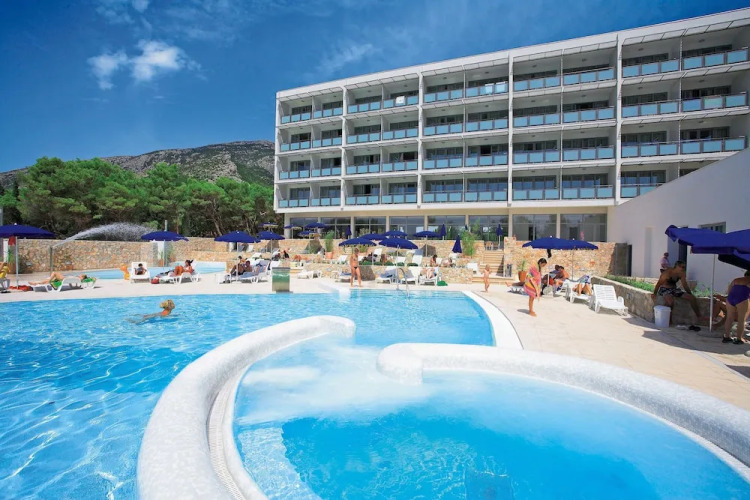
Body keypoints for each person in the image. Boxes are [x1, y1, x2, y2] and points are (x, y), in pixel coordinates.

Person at [651, 261, 706, 326]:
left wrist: (690, 294)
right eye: (682, 267)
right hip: (664, 289)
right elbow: (658, 284)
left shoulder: (681, 274)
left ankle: (699, 316)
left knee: (692, 298)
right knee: (670, 302)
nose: (683, 268)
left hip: (674, 289)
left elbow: (685, 285)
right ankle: (668, 320)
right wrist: (654, 293)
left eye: (684, 267)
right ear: (676, 266)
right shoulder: (667, 273)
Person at [722, 270, 750, 345]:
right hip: (742, 298)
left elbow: (729, 290)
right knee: (741, 319)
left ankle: (726, 337)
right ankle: (739, 338)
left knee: (729, 318)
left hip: (731, 298)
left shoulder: (736, 280)